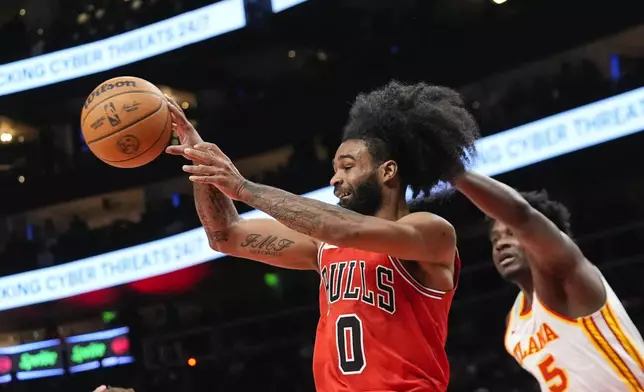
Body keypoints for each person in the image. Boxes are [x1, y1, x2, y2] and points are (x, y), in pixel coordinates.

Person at [165, 81, 480, 391]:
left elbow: (346, 228)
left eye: (347, 166)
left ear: (387, 172)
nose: (334, 179)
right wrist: (199, 156)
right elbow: (225, 235)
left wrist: (246, 189)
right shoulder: (325, 246)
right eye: (335, 168)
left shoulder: (430, 231)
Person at [451, 171, 644, 391]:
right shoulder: (514, 323)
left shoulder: (566, 278)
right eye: (495, 239)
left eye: (511, 234)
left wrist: (453, 171)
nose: (500, 244)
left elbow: (522, 216)